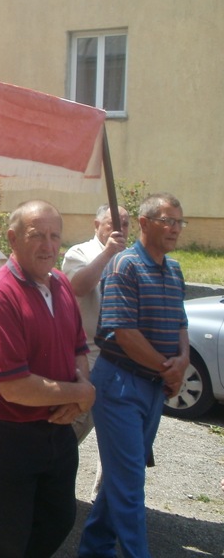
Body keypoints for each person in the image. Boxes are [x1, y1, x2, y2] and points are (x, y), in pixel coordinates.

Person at [0, 199, 95, 558]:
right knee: (4, 540)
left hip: (57, 430)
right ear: (13, 238)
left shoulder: (60, 284)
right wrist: (82, 394)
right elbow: (13, 386)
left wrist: (75, 397)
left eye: (55, 236)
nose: (49, 245)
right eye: (37, 235)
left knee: (58, 519)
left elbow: (77, 347)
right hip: (9, 435)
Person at [79, 193, 189, 558]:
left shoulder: (174, 270)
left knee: (123, 477)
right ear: (144, 223)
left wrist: (182, 362)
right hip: (120, 385)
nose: (174, 228)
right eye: (167, 220)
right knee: (130, 483)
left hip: (154, 387)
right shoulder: (124, 265)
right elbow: (123, 333)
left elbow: (181, 325)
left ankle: (94, 548)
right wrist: (167, 368)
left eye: (179, 222)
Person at [61, 204, 130, 498]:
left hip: (123, 361)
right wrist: (107, 254)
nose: (119, 229)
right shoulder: (79, 253)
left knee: (117, 439)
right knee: (70, 430)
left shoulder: (132, 259)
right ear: (96, 224)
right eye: (112, 223)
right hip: (87, 355)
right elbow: (77, 286)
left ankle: (104, 497)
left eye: (125, 224)